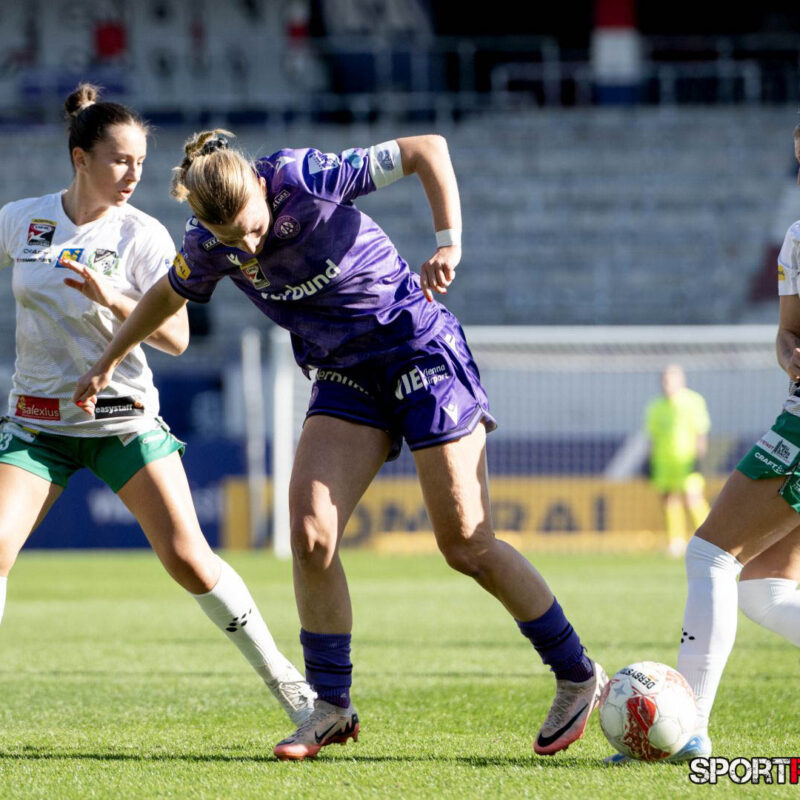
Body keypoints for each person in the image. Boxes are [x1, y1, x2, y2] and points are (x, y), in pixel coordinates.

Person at [73, 129, 608, 761]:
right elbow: (166, 293)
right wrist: (110, 358)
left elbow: (426, 150)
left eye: (252, 227)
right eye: (231, 240)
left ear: (260, 188)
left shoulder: (307, 175)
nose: (249, 246)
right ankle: (329, 706)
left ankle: (577, 674)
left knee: (465, 543)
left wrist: (447, 242)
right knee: (310, 533)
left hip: (417, 349)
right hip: (344, 374)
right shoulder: (206, 243)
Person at [0, 85, 314, 727]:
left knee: (187, 557)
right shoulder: (21, 219)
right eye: (120, 160)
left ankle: (289, 684)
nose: (134, 175)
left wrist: (114, 296)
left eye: (140, 162)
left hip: (121, 419)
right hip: (37, 422)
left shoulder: (142, 233)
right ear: (80, 157)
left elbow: (176, 338)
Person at [607, 124, 800, 765]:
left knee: (711, 557)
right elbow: (787, 336)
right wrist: (790, 351)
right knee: (763, 587)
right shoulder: (796, 238)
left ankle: (690, 732)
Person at [644, 364, 711, 557]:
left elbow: (700, 432)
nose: (667, 384)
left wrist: (699, 458)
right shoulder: (656, 406)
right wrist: (650, 461)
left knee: (693, 498)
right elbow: (652, 436)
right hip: (663, 461)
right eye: (664, 380)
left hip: (687, 460)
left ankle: (709, 539)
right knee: (668, 499)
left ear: (681, 381)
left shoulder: (693, 401)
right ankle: (676, 542)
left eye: (670, 380)